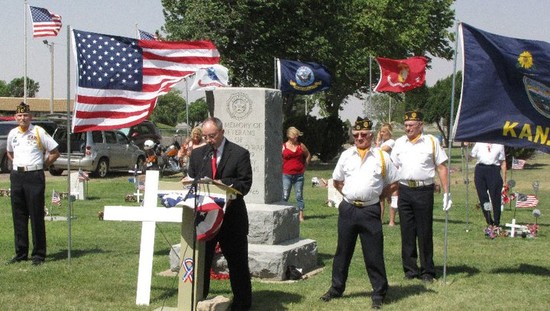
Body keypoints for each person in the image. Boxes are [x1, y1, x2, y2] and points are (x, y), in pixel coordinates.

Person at [320, 117, 399, 310]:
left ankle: (379, 292)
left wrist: (379, 197)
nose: (359, 138)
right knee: (342, 251)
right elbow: (337, 181)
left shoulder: (382, 156)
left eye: (363, 134)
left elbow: (394, 182)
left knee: (373, 253)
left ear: (371, 135)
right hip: (348, 209)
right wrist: (349, 194)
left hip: (370, 210)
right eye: (356, 135)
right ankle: (336, 288)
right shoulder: (346, 155)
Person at [185, 117, 253, 311]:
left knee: (237, 263)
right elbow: (191, 179)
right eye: (205, 136)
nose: (209, 140)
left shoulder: (239, 153)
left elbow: (245, 184)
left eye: (212, 136)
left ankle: (242, 304)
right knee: (202, 262)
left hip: (232, 218)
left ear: (222, 132)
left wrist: (225, 185)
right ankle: (199, 299)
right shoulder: (198, 155)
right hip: (205, 218)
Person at [390, 111, 452, 283]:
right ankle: (410, 269)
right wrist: (394, 193)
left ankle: (427, 270)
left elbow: (441, 168)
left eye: (411, 125)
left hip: (424, 190)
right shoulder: (399, 143)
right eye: (406, 125)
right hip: (404, 189)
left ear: (420, 125)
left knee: (424, 231)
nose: (407, 128)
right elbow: (394, 169)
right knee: (407, 231)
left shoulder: (431, 142)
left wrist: (447, 193)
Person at [6, 102, 60, 266]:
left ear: (31, 117)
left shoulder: (38, 131)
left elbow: (55, 152)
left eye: (26, 115)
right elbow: (9, 152)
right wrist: (17, 164)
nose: (23, 118)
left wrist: (43, 165)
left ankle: (38, 254)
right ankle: (21, 252)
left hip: (34, 176)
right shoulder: (12, 133)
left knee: (36, 215)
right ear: (15, 117)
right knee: (19, 215)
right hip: (17, 176)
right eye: (20, 115)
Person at [470, 142, 506, 231]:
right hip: (480, 169)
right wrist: (466, 147)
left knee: (495, 197)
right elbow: (470, 157)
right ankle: (489, 221)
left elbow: (503, 162)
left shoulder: (499, 144)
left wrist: (505, 180)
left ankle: (497, 222)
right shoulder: (479, 143)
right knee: (483, 196)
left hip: (494, 170)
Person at [282, 126, 311, 222]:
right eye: (294, 136)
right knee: (285, 195)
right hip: (286, 174)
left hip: (299, 174)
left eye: (297, 136)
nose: (296, 138)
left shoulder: (300, 146)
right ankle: (282, 214)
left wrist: (304, 167)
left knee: (299, 195)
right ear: (289, 136)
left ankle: (300, 215)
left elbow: (308, 155)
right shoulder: (283, 146)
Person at [376, 123, 399, 226]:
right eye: (381, 131)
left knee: (393, 196)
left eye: (384, 132)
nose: (382, 133)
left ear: (389, 133)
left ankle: (392, 220)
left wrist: (377, 141)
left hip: (391, 171)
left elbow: (381, 150)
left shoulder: (391, 142)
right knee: (381, 197)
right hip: (382, 171)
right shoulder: (381, 143)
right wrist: (378, 141)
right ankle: (379, 219)